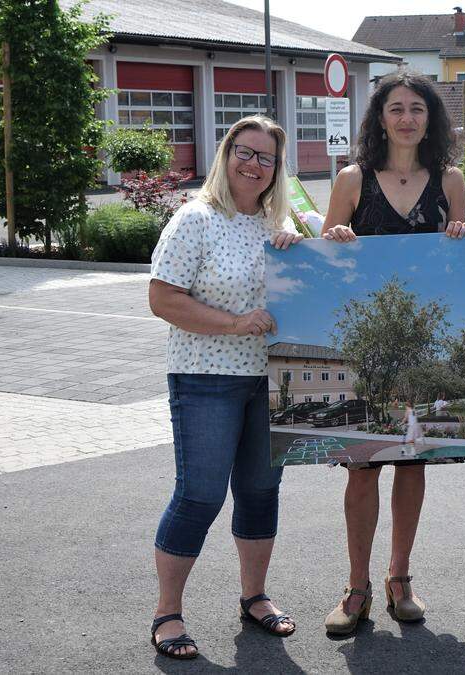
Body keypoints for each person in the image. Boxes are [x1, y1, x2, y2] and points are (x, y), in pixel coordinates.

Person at [319, 70, 465, 635]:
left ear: (430, 118)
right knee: (362, 467)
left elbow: (459, 254)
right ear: (379, 118)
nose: (407, 118)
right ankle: (356, 587)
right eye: (396, 108)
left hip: (425, 341)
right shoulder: (352, 179)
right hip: (366, 342)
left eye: (417, 109)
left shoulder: (449, 178)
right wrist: (333, 238)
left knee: (412, 461)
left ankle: (399, 578)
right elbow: (325, 261)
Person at [146, 115, 303, 659]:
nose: (253, 164)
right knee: (200, 495)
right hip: (205, 377)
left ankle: (255, 597)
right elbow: (163, 298)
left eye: (266, 157)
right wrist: (235, 323)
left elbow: (327, 264)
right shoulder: (195, 220)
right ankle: (168, 612)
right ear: (226, 153)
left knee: (261, 492)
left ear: (277, 169)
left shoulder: (279, 224)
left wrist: (301, 245)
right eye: (245, 151)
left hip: (271, 380)